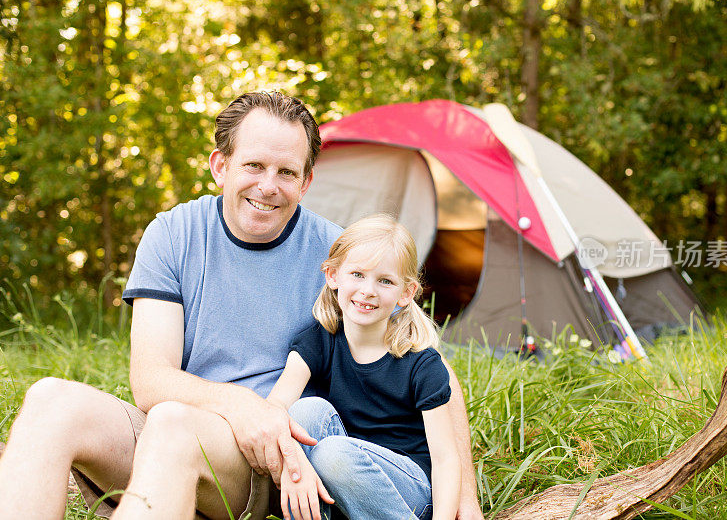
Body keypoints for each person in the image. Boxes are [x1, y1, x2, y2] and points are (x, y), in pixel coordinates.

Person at [0, 91, 485, 520]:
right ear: (221, 165)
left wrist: (464, 493)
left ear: (306, 181)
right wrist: (245, 407)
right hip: (180, 426)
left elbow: (429, 362)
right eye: (253, 165)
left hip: (271, 462)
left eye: (286, 172)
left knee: (173, 424)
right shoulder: (173, 234)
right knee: (50, 400)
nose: (268, 186)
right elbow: (151, 380)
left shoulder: (342, 259)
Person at [268, 214, 460, 520]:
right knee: (304, 412)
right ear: (332, 275)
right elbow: (275, 407)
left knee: (332, 455)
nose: (368, 290)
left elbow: (446, 459)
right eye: (357, 274)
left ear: (406, 293)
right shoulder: (319, 342)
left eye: (385, 281)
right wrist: (295, 468)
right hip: (346, 481)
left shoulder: (421, 363)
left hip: (408, 491)